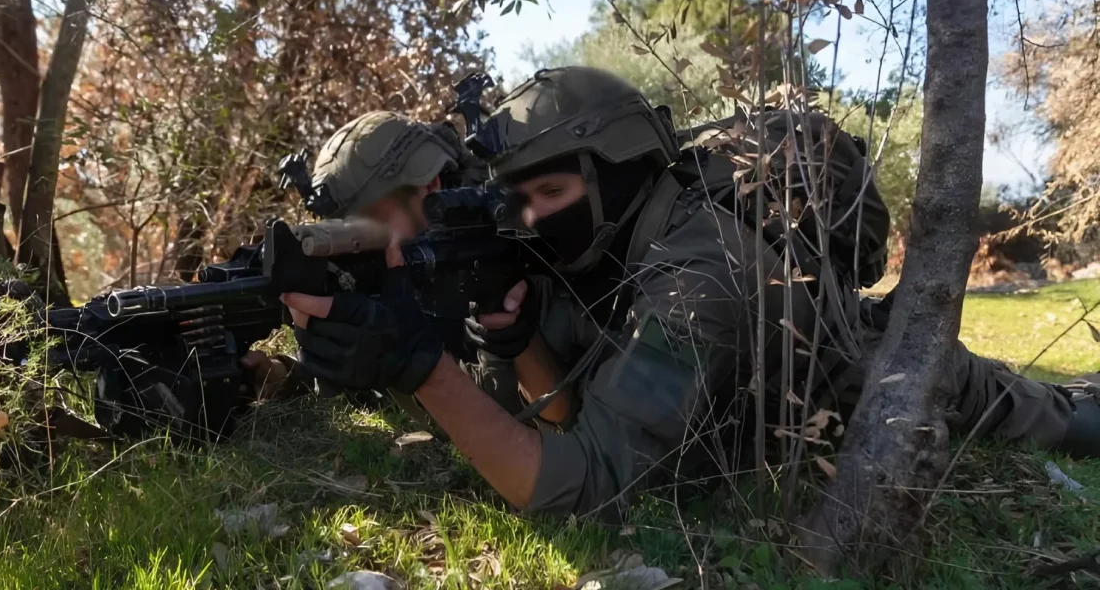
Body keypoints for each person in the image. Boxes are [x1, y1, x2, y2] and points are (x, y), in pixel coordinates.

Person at [279, 67, 1100, 518]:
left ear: (620, 171)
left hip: (872, 376)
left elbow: (590, 484)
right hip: (763, 386)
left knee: (1069, 421)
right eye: (516, 199)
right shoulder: (615, 247)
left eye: (547, 196)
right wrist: (512, 338)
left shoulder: (697, 280)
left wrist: (427, 370)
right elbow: (570, 413)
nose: (524, 221)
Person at [241, 110, 521, 412]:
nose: (356, 248)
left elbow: (504, 407)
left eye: (367, 228)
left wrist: (404, 360)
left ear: (430, 187)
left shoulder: (509, 243)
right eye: (345, 232)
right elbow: (370, 362)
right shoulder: (396, 268)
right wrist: (288, 375)